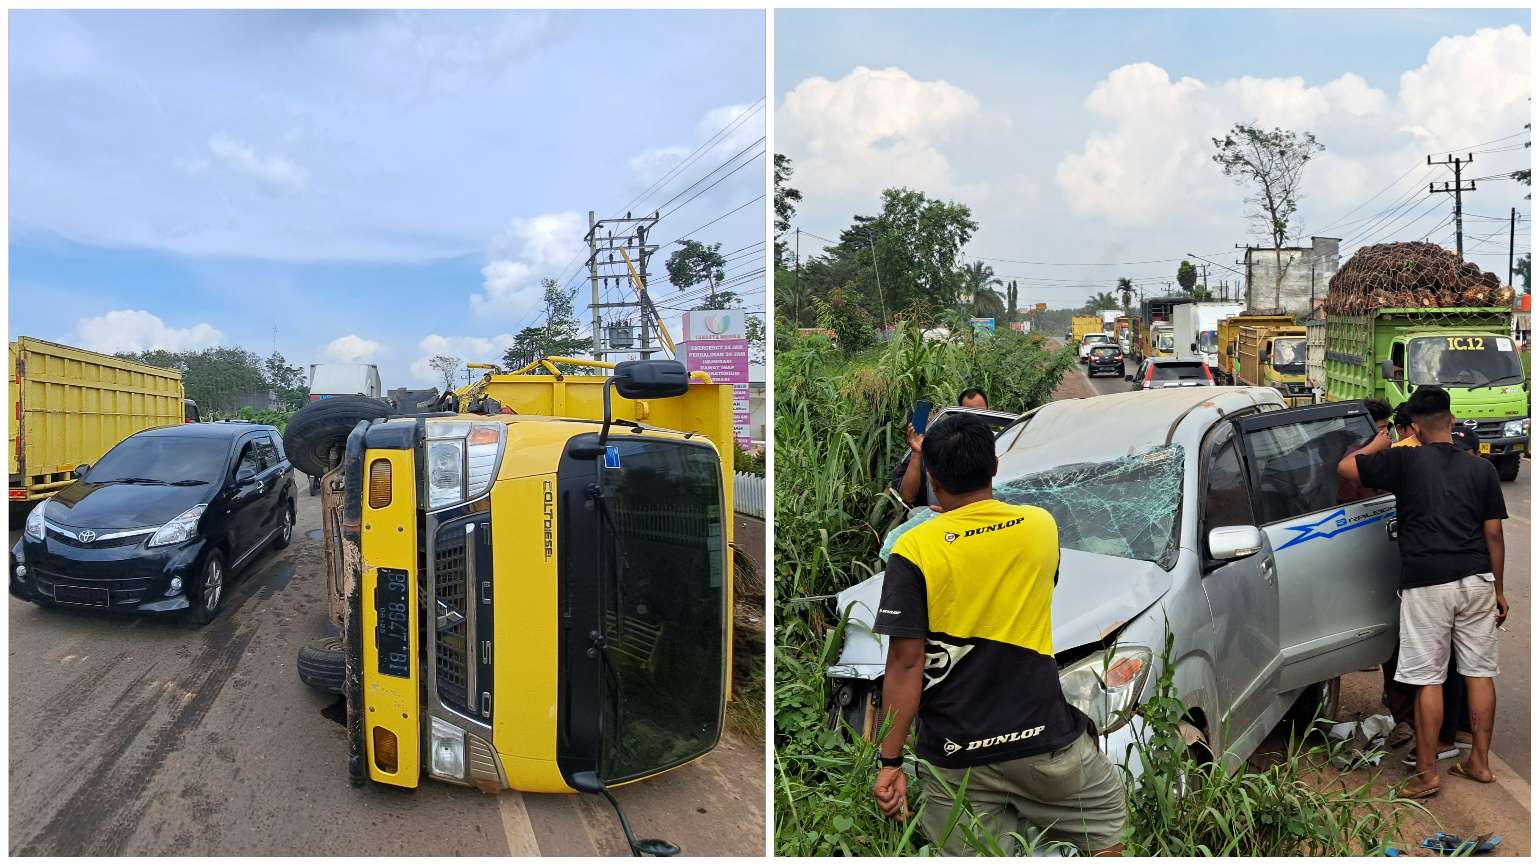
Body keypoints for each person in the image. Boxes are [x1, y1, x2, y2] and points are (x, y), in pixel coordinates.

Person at [871, 413, 1126, 855]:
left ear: (931, 477)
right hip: (1044, 745)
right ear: (993, 465)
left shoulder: (912, 549)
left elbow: (906, 663)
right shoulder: (1040, 527)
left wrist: (890, 762)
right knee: (1106, 825)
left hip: (954, 757)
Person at [1337, 386, 1508, 799]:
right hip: (1476, 579)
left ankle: (1427, 774)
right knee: (1479, 673)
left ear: (1414, 426)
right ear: (1451, 420)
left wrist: (1380, 441)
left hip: (1428, 582)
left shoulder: (1403, 460)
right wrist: (1498, 590)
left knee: (1428, 679)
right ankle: (1480, 764)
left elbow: (1345, 469)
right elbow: (1495, 534)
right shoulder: (1480, 468)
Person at [892, 388, 989, 508]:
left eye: (981, 414)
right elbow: (907, 496)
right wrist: (917, 453)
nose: (975, 420)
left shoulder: (1004, 439)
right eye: (969, 414)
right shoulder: (945, 448)